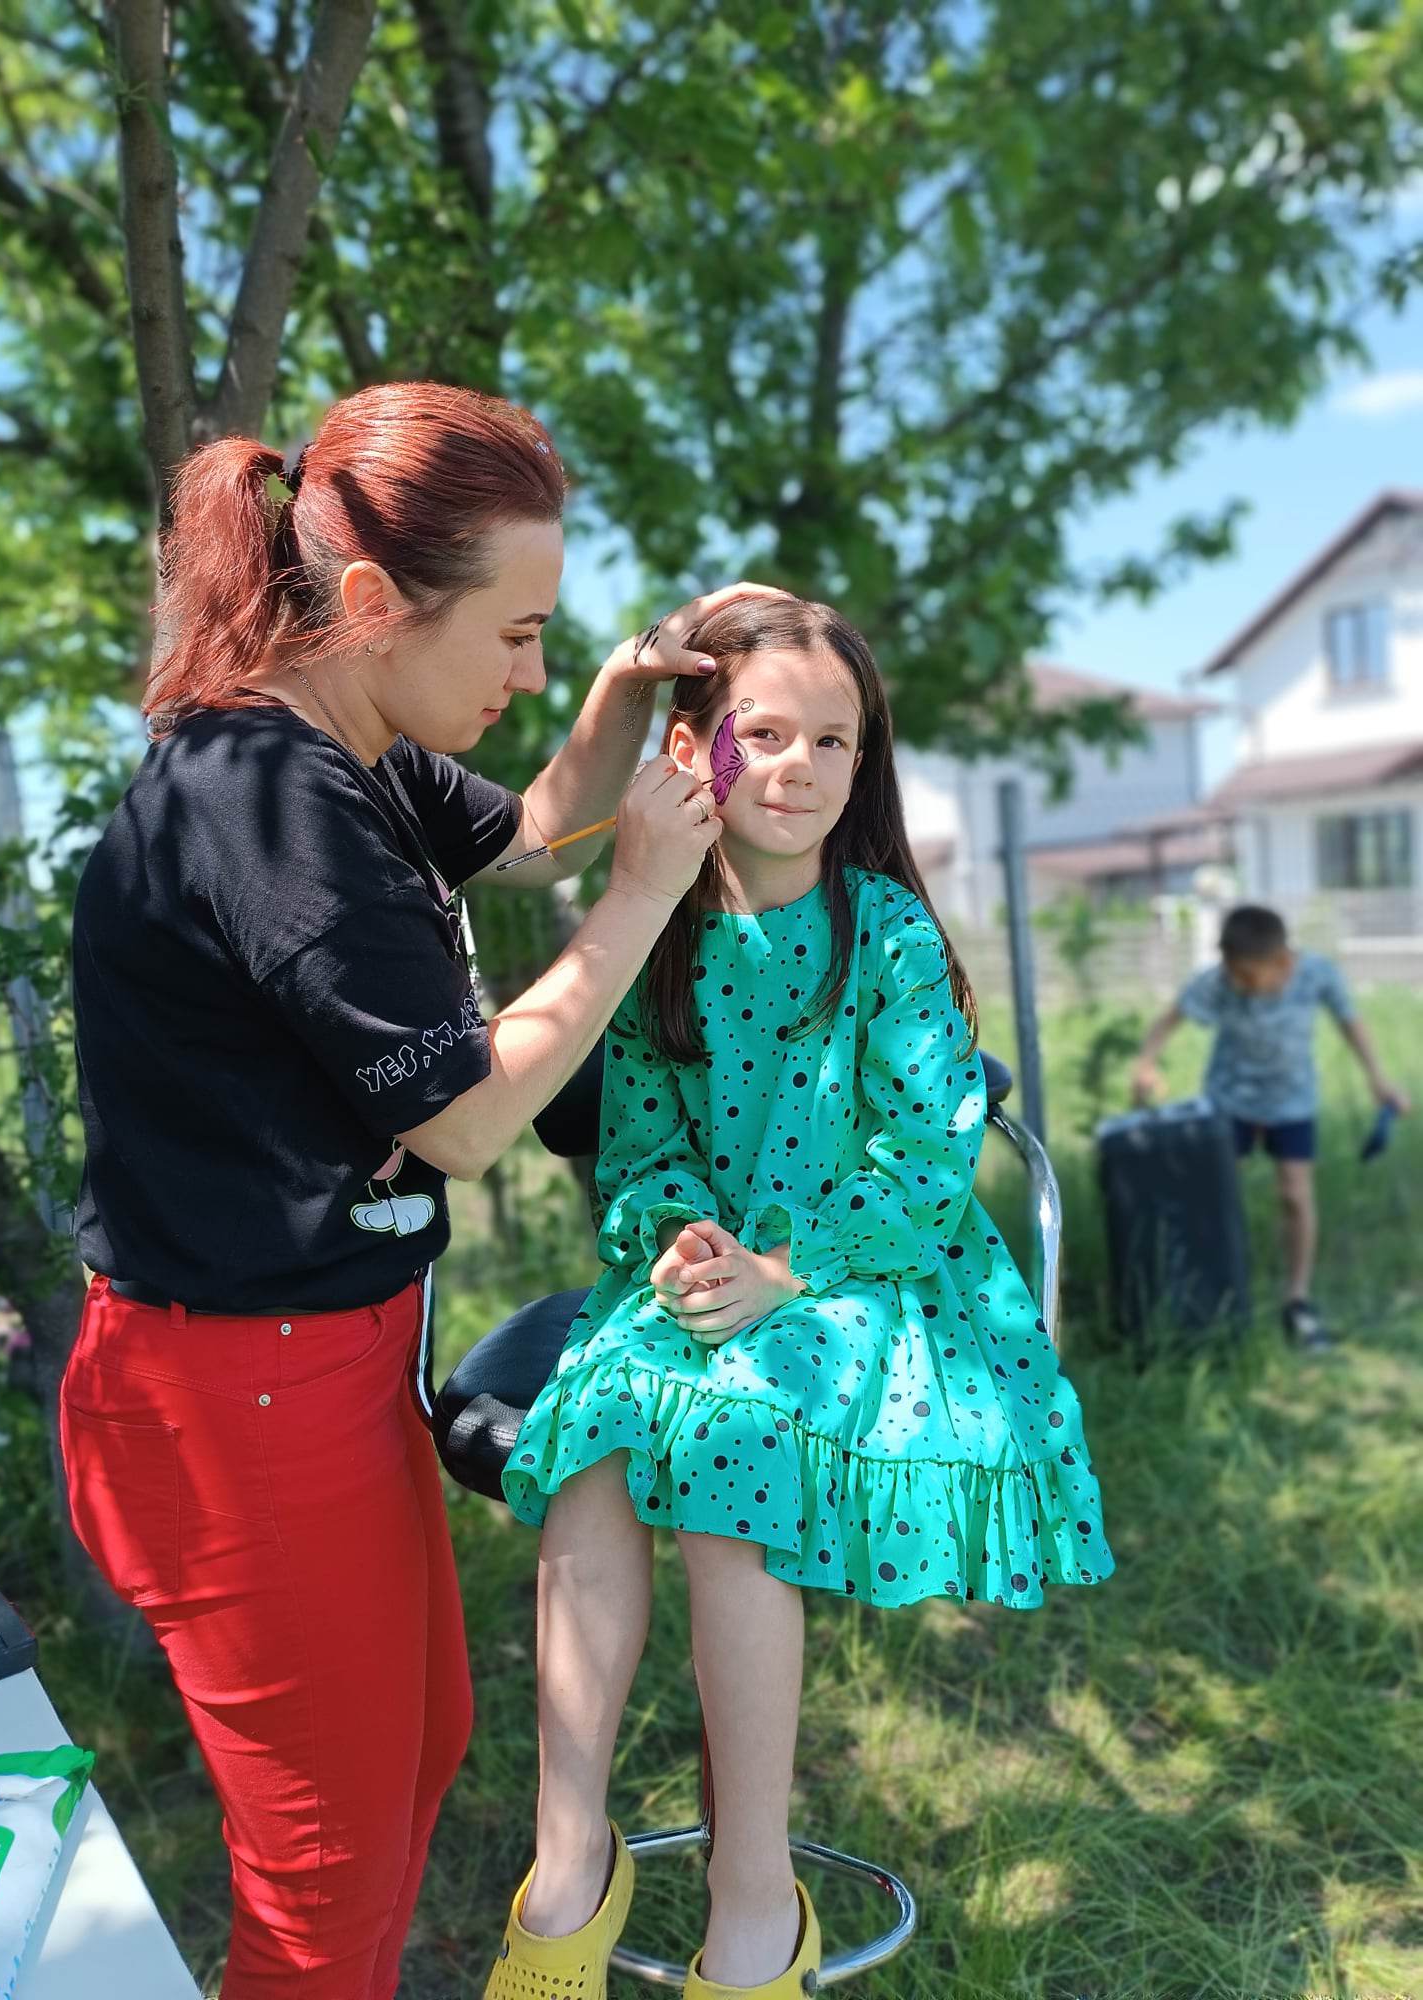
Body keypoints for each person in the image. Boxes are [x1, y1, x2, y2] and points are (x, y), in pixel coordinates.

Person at [61, 376, 782, 1998]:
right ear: (378, 602)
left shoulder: (356, 751)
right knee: (322, 1888)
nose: (528, 674)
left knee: (421, 1746)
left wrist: (619, 693)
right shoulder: (269, 809)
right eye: (515, 635)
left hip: (318, 1366)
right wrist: (647, 892)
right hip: (227, 1407)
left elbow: (531, 833)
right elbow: (463, 1121)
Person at [488, 599, 1115, 2000]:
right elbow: (642, 1139)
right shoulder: (661, 931)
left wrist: (783, 1270)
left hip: (868, 1274)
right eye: (763, 733)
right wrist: (676, 1238)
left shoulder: (884, 932)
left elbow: (928, 1159)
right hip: (707, 1272)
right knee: (593, 1442)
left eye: (834, 740)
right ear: (692, 752)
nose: (799, 766)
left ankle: (755, 1893)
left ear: (863, 762)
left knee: (736, 1457)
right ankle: (570, 1855)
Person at [1132, 902, 1409, 1352]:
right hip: (1230, 1102)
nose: (1238, 983)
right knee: (1217, 1197)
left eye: (1247, 975)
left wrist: (1378, 1079)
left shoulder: (1317, 973)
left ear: (1281, 961)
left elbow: (1351, 1023)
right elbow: (1167, 1021)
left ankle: (1297, 1300)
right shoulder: (1219, 981)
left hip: (1292, 1103)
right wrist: (1146, 1064)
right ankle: (1217, 1290)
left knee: (1295, 1194)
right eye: (1232, 973)